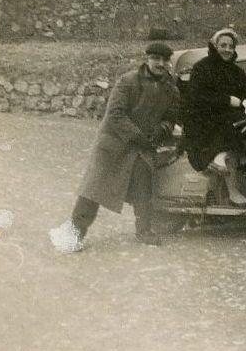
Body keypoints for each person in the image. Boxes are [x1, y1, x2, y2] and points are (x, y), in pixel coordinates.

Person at [49, 42, 180, 251]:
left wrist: (162, 130)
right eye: (156, 58)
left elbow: (171, 117)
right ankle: (74, 234)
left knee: (143, 186)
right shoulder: (128, 81)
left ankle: (144, 230)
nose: (160, 64)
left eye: (165, 60)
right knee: (94, 190)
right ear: (147, 59)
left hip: (143, 147)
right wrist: (138, 136)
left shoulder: (170, 88)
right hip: (114, 144)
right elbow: (115, 115)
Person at [182, 28, 246, 204]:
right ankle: (232, 191)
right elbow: (196, 96)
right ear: (214, 46)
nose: (227, 49)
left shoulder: (236, 71)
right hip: (204, 120)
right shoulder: (201, 68)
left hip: (231, 118)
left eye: (231, 46)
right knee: (233, 138)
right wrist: (226, 100)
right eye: (223, 45)